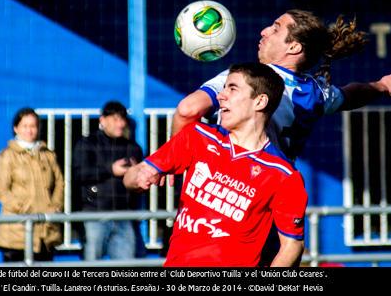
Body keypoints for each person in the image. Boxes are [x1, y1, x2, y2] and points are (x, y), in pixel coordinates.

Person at [124, 62, 306, 267]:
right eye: (223, 88)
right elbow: (130, 178)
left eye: (232, 88)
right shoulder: (196, 137)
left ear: (260, 102)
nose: (221, 96)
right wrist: (138, 174)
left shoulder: (284, 175)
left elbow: (292, 245)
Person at [173, 9, 391, 159]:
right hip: (274, 197)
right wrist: (381, 86)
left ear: (294, 47)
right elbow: (349, 95)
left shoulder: (248, 79)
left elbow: (187, 110)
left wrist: (172, 158)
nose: (264, 32)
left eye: (275, 29)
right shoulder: (317, 92)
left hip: (230, 195)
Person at [72, 101, 143, 261]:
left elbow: (141, 182)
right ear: (102, 120)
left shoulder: (133, 148)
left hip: (124, 215)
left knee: (127, 267)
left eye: (123, 119)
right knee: (91, 265)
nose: (121, 124)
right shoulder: (87, 143)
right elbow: (79, 174)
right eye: (115, 119)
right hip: (95, 214)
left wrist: (135, 174)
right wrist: (111, 170)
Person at [0, 108, 64, 263]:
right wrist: (25, 209)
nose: (29, 130)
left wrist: (55, 206)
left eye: (33, 125)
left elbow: (60, 182)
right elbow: (1, 191)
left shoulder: (48, 155)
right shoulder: (7, 155)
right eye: (25, 126)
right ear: (16, 128)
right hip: (17, 232)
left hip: (46, 230)